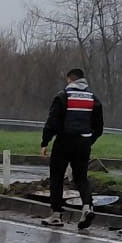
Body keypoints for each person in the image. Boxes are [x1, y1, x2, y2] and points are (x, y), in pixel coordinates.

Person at [40, 65, 103, 231]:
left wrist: (45, 142)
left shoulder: (63, 96)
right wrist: (89, 140)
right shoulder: (93, 99)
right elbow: (99, 127)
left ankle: (56, 215)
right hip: (83, 143)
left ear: (69, 79)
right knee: (81, 177)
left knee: (57, 177)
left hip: (64, 141)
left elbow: (52, 121)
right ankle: (87, 207)